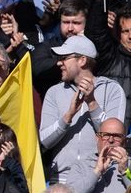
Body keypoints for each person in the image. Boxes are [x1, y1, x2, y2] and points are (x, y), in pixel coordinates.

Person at [39, 35, 126, 183]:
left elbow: (114, 139)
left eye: (65, 58)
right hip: (61, 180)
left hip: (101, 178)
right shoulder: (54, 92)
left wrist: (92, 103)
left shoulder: (112, 89)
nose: (59, 63)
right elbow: (45, 140)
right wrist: (68, 116)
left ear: (82, 60)